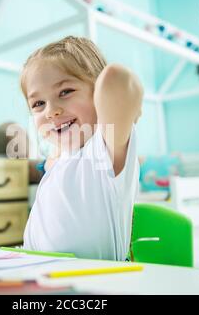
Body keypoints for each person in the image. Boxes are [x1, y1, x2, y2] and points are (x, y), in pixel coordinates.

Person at [19, 36, 143, 261]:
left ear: (98, 96)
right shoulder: (56, 163)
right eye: (38, 103)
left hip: (94, 282)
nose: (51, 111)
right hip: (39, 272)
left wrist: (125, 108)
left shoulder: (104, 150)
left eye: (65, 92)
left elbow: (118, 79)